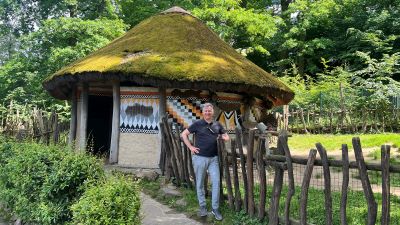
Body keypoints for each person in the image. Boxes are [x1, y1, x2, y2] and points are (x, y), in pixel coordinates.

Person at [181, 103, 229, 221]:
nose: (208, 112)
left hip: (213, 159)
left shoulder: (218, 124)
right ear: (203, 113)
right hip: (200, 158)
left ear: (213, 112)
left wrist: (221, 137)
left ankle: (215, 208)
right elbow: (183, 134)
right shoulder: (198, 124)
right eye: (206, 111)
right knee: (200, 183)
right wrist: (191, 147)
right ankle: (202, 206)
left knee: (216, 182)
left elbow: (227, 137)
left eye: (210, 111)